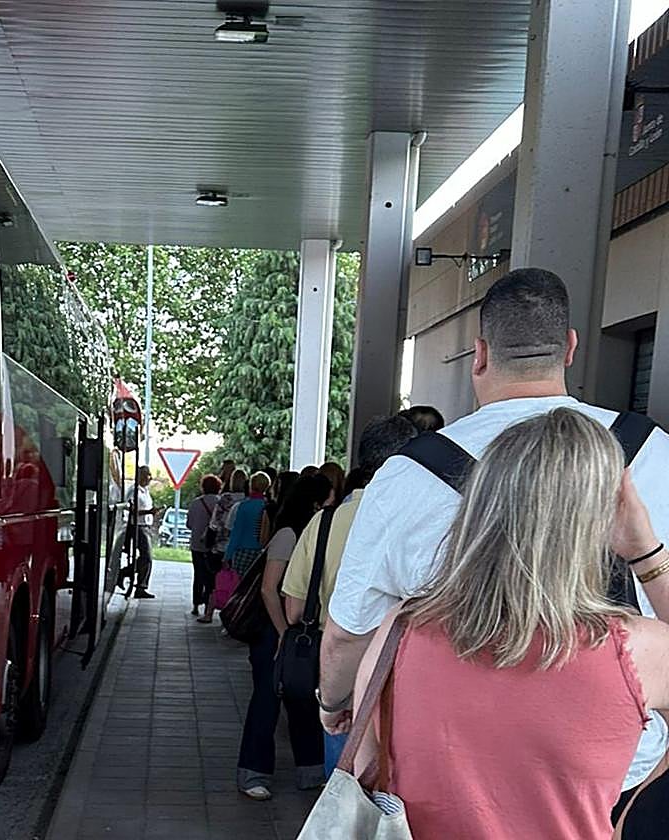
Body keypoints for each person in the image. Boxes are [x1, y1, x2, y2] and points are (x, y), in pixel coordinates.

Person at [319, 268, 669, 833]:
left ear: (479, 354)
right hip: (618, 776)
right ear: (571, 347)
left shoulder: (401, 609)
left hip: (437, 790)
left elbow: (348, 638)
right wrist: (646, 554)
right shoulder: (659, 457)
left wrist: (334, 701)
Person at [351, 409, 669, 840]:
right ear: (596, 522)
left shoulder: (401, 629)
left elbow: (366, 774)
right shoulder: (635, 651)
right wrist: (646, 552)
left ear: (478, 507)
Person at [280, 415, 418, 777]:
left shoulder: (325, 522)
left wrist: (330, 700)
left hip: (340, 671)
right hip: (409, 674)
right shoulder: (424, 519)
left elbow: (294, 609)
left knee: (344, 784)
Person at [236, 474, 334, 799]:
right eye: (329, 500)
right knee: (267, 699)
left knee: (303, 697)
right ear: (315, 503)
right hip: (274, 630)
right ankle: (253, 773)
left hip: (297, 631)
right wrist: (282, 633)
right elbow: (268, 589)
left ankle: (311, 770)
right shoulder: (288, 535)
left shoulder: (314, 534)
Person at [119, 466, 160, 599]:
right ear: (141, 476)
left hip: (145, 526)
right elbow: (131, 509)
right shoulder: (134, 491)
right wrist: (148, 512)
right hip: (137, 526)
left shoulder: (145, 491)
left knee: (145, 558)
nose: (150, 478)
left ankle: (128, 576)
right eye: (148, 475)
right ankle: (137, 584)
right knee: (146, 557)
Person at [187, 474, 223, 620]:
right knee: (211, 576)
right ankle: (209, 605)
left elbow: (189, 524)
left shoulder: (196, 503)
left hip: (197, 544)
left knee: (198, 574)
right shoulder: (221, 503)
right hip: (213, 545)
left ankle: (195, 605)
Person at [224, 471, 272, 577]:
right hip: (261, 552)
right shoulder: (268, 506)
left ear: (251, 485)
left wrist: (227, 556)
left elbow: (236, 532)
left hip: (243, 551)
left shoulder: (244, 506)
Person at [209, 468, 247, 557]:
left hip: (221, 544)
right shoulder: (246, 500)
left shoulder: (224, 499)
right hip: (239, 546)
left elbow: (214, 522)